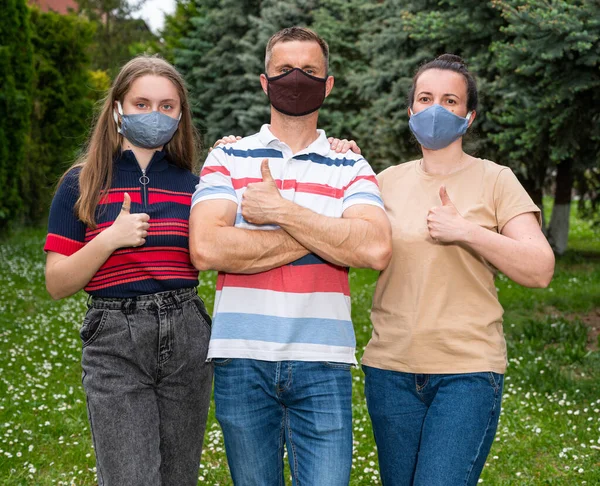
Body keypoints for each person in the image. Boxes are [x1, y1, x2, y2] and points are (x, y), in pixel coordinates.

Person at [189, 26, 392, 485]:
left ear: (328, 83)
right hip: (242, 358)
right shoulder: (228, 158)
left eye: (309, 70)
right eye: (283, 70)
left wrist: (279, 211)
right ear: (264, 81)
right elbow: (206, 247)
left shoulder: (351, 164)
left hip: (323, 362)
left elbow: (376, 248)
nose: (295, 78)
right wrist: (328, 230)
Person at [361, 54, 556, 486]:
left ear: (469, 117)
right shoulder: (382, 181)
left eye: (450, 101)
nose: (435, 109)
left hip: (466, 372)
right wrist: (340, 155)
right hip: (390, 370)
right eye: (425, 98)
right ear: (411, 111)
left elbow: (540, 269)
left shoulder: (496, 179)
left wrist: (466, 230)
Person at [44, 55, 213, 486]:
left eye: (167, 106)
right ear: (117, 108)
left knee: (179, 477)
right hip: (115, 338)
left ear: (180, 115)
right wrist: (108, 238)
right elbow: (57, 282)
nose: (154, 115)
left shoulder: (196, 187)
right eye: (141, 104)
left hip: (187, 337)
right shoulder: (80, 184)